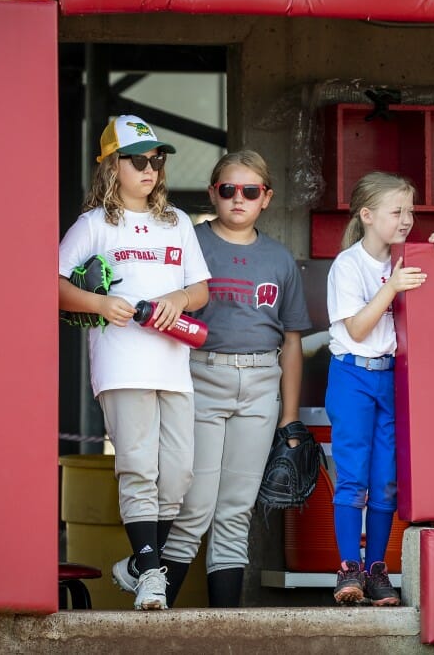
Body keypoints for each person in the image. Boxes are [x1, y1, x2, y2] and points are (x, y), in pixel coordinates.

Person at [58, 114, 211, 610]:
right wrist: (100, 304)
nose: (151, 169)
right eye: (139, 160)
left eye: (158, 159)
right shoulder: (94, 224)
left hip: (174, 366)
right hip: (122, 365)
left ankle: (139, 566)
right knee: (139, 469)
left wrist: (180, 300)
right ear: (112, 167)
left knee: (180, 475)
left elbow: (202, 289)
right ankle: (151, 575)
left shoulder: (179, 221)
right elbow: (52, 283)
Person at [160, 150, 313, 608]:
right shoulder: (192, 242)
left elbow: (291, 342)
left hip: (262, 382)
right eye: (228, 190)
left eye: (250, 191)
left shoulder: (280, 259)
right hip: (201, 376)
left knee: (235, 510)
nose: (238, 199)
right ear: (213, 192)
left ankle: (224, 623)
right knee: (195, 506)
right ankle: (152, 612)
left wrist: (289, 418)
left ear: (266, 198)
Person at [324, 171, 434, 607]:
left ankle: (376, 570)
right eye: (397, 211)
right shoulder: (348, 265)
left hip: (391, 376)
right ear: (367, 215)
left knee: (386, 480)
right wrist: (391, 287)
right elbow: (356, 327)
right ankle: (348, 567)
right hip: (351, 375)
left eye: (410, 210)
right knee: (353, 477)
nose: (406, 219)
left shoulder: (406, 256)